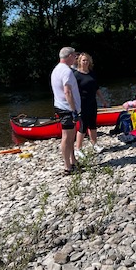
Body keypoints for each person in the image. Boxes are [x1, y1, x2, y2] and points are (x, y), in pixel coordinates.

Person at [51, 47, 81, 175]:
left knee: (71, 135)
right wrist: (74, 110)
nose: (76, 58)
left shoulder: (57, 69)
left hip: (61, 106)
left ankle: (73, 160)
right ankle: (67, 167)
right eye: (74, 55)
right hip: (66, 108)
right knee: (66, 137)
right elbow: (67, 92)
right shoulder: (66, 72)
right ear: (69, 56)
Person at [74, 52, 108, 157]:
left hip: (92, 102)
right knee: (83, 126)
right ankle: (78, 148)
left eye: (87, 60)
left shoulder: (91, 73)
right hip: (82, 104)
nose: (85, 62)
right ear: (79, 61)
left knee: (93, 124)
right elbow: (73, 91)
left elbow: (96, 88)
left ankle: (94, 144)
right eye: (83, 60)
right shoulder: (76, 75)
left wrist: (103, 100)